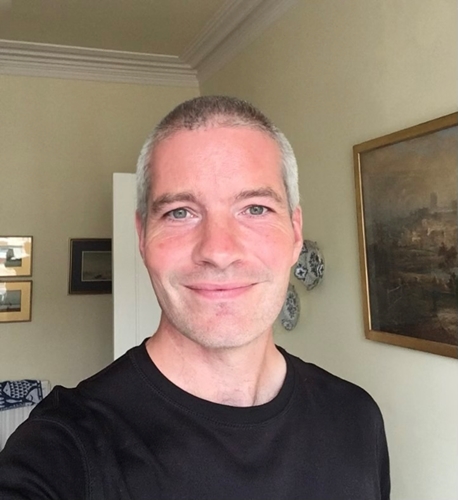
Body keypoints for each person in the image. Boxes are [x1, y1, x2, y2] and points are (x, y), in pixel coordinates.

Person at [0, 96, 390, 499]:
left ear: (295, 233)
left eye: (255, 209)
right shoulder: (62, 450)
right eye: (180, 212)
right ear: (142, 237)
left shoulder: (356, 417)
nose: (218, 251)